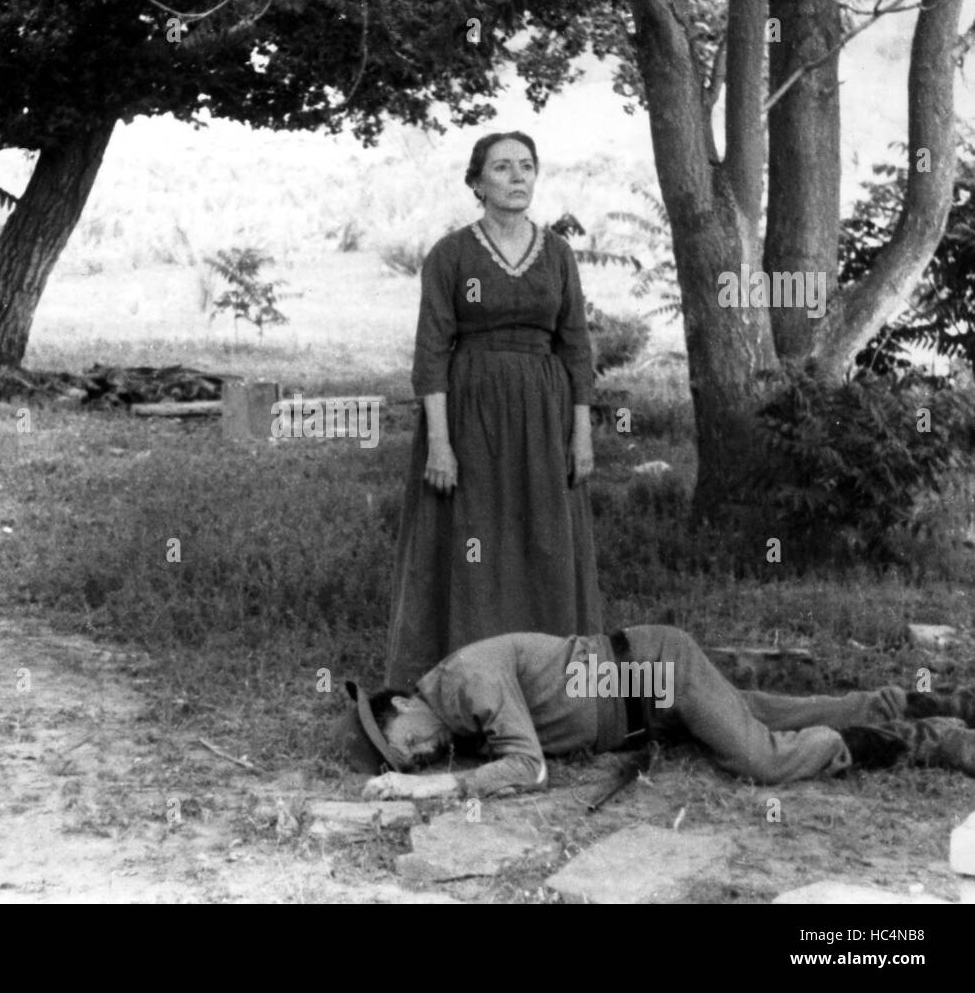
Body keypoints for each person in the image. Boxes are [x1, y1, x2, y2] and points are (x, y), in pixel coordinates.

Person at [384, 131, 602, 693]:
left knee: (543, 538)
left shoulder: (556, 254)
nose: (517, 177)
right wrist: (439, 442)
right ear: (476, 183)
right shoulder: (451, 255)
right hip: (469, 415)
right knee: (473, 540)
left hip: (543, 416)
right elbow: (431, 352)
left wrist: (581, 436)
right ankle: (462, 682)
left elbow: (576, 347)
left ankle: (549, 684)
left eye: (526, 166)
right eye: (502, 168)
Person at [334, 625, 975, 800]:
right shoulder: (451, 710)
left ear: (401, 707)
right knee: (764, 712)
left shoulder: (467, 683)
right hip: (647, 703)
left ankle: (929, 738)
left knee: (759, 758)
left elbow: (528, 770)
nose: (415, 758)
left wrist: (429, 790)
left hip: (656, 671)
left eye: (403, 746)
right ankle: (928, 703)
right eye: (407, 762)